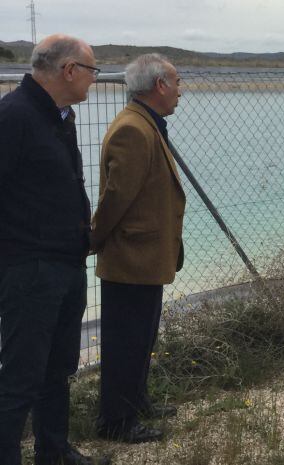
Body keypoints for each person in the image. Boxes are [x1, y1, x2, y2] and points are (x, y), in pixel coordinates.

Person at [0, 34, 110, 465]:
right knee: (21, 377)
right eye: (92, 70)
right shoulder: (14, 117)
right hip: (29, 268)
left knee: (57, 368)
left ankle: (54, 452)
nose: (94, 79)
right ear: (69, 71)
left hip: (65, 263)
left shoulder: (59, 116)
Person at [90, 54, 185, 443]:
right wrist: (94, 239)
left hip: (145, 257)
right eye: (177, 82)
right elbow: (115, 199)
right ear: (159, 85)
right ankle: (115, 421)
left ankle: (136, 401)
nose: (181, 90)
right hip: (130, 258)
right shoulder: (133, 129)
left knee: (142, 337)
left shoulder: (146, 123)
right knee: (126, 341)